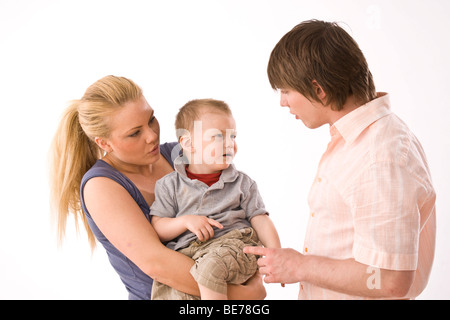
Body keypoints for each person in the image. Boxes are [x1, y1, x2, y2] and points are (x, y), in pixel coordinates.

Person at [244, 20, 436, 300]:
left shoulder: (380, 155)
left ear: (318, 89)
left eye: (286, 91)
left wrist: (298, 266)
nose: (283, 102)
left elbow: (389, 279)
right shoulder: (358, 141)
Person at [49, 75, 266, 300]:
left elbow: (239, 209)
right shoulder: (100, 186)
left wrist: (259, 272)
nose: (152, 136)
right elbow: (156, 263)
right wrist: (241, 295)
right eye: (135, 133)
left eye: (151, 119)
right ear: (104, 143)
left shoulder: (180, 155)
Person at [150, 99, 281, 300]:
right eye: (218, 137)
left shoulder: (242, 183)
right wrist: (184, 221)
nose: (230, 144)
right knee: (166, 291)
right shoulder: (169, 185)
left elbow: (260, 219)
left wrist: (276, 255)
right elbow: (159, 228)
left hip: (234, 245)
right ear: (188, 143)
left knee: (210, 269)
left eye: (233, 136)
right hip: (190, 254)